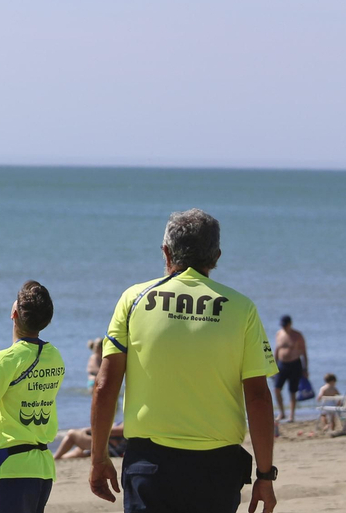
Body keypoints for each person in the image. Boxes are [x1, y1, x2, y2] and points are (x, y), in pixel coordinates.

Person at [90, 209, 277, 513]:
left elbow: (104, 385)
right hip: (218, 467)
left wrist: (98, 457)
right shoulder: (242, 308)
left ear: (165, 252)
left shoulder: (133, 299)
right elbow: (257, 396)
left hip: (149, 465)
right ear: (216, 256)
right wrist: (265, 475)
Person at [0, 281, 65, 513]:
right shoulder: (54, 355)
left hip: (14, 470)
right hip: (42, 469)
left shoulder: (4, 361)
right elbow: (22, 380)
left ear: (14, 314)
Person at [271, 315, 309, 422]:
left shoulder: (297, 335)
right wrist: (273, 366)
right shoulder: (279, 334)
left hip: (295, 364)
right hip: (282, 365)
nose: (283, 327)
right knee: (276, 389)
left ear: (290, 324)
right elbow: (276, 351)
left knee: (292, 391)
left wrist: (305, 369)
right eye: (282, 325)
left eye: (285, 325)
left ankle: (292, 415)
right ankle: (282, 413)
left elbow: (304, 353)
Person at [56, 423, 126, 460]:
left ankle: (56, 457)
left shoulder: (127, 424)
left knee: (71, 434)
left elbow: (114, 431)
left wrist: (90, 429)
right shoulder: (128, 420)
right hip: (107, 446)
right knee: (78, 452)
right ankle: (57, 459)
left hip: (109, 447)